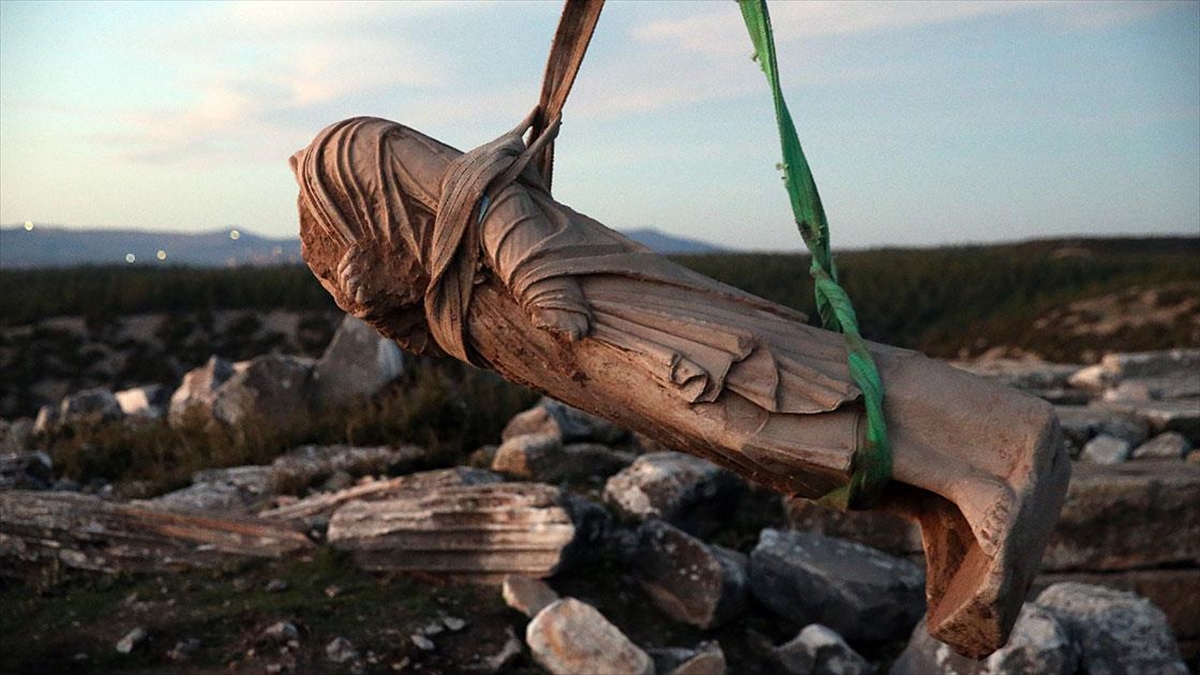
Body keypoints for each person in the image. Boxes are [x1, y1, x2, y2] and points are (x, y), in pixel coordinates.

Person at [290, 114, 1070, 658]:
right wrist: (381, 301)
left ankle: (979, 481)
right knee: (741, 437)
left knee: (759, 389)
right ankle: (942, 496)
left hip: (583, 301)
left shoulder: (352, 154)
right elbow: (424, 324)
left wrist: (533, 279)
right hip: (554, 354)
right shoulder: (329, 225)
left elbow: (486, 192)